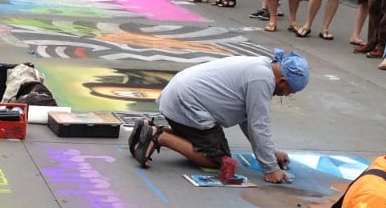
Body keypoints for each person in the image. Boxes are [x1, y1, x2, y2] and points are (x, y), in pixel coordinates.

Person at [129, 50, 309, 184]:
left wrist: (271, 154)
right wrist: (271, 168)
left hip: (178, 100)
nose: (285, 95)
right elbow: (258, 125)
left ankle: (147, 129)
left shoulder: (261, 65)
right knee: (219, 159)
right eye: (288, 92)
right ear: (282, 81)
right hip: (187, 104)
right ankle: (159, 136)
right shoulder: (262, 80)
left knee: (205, 144)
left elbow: (248, 120)